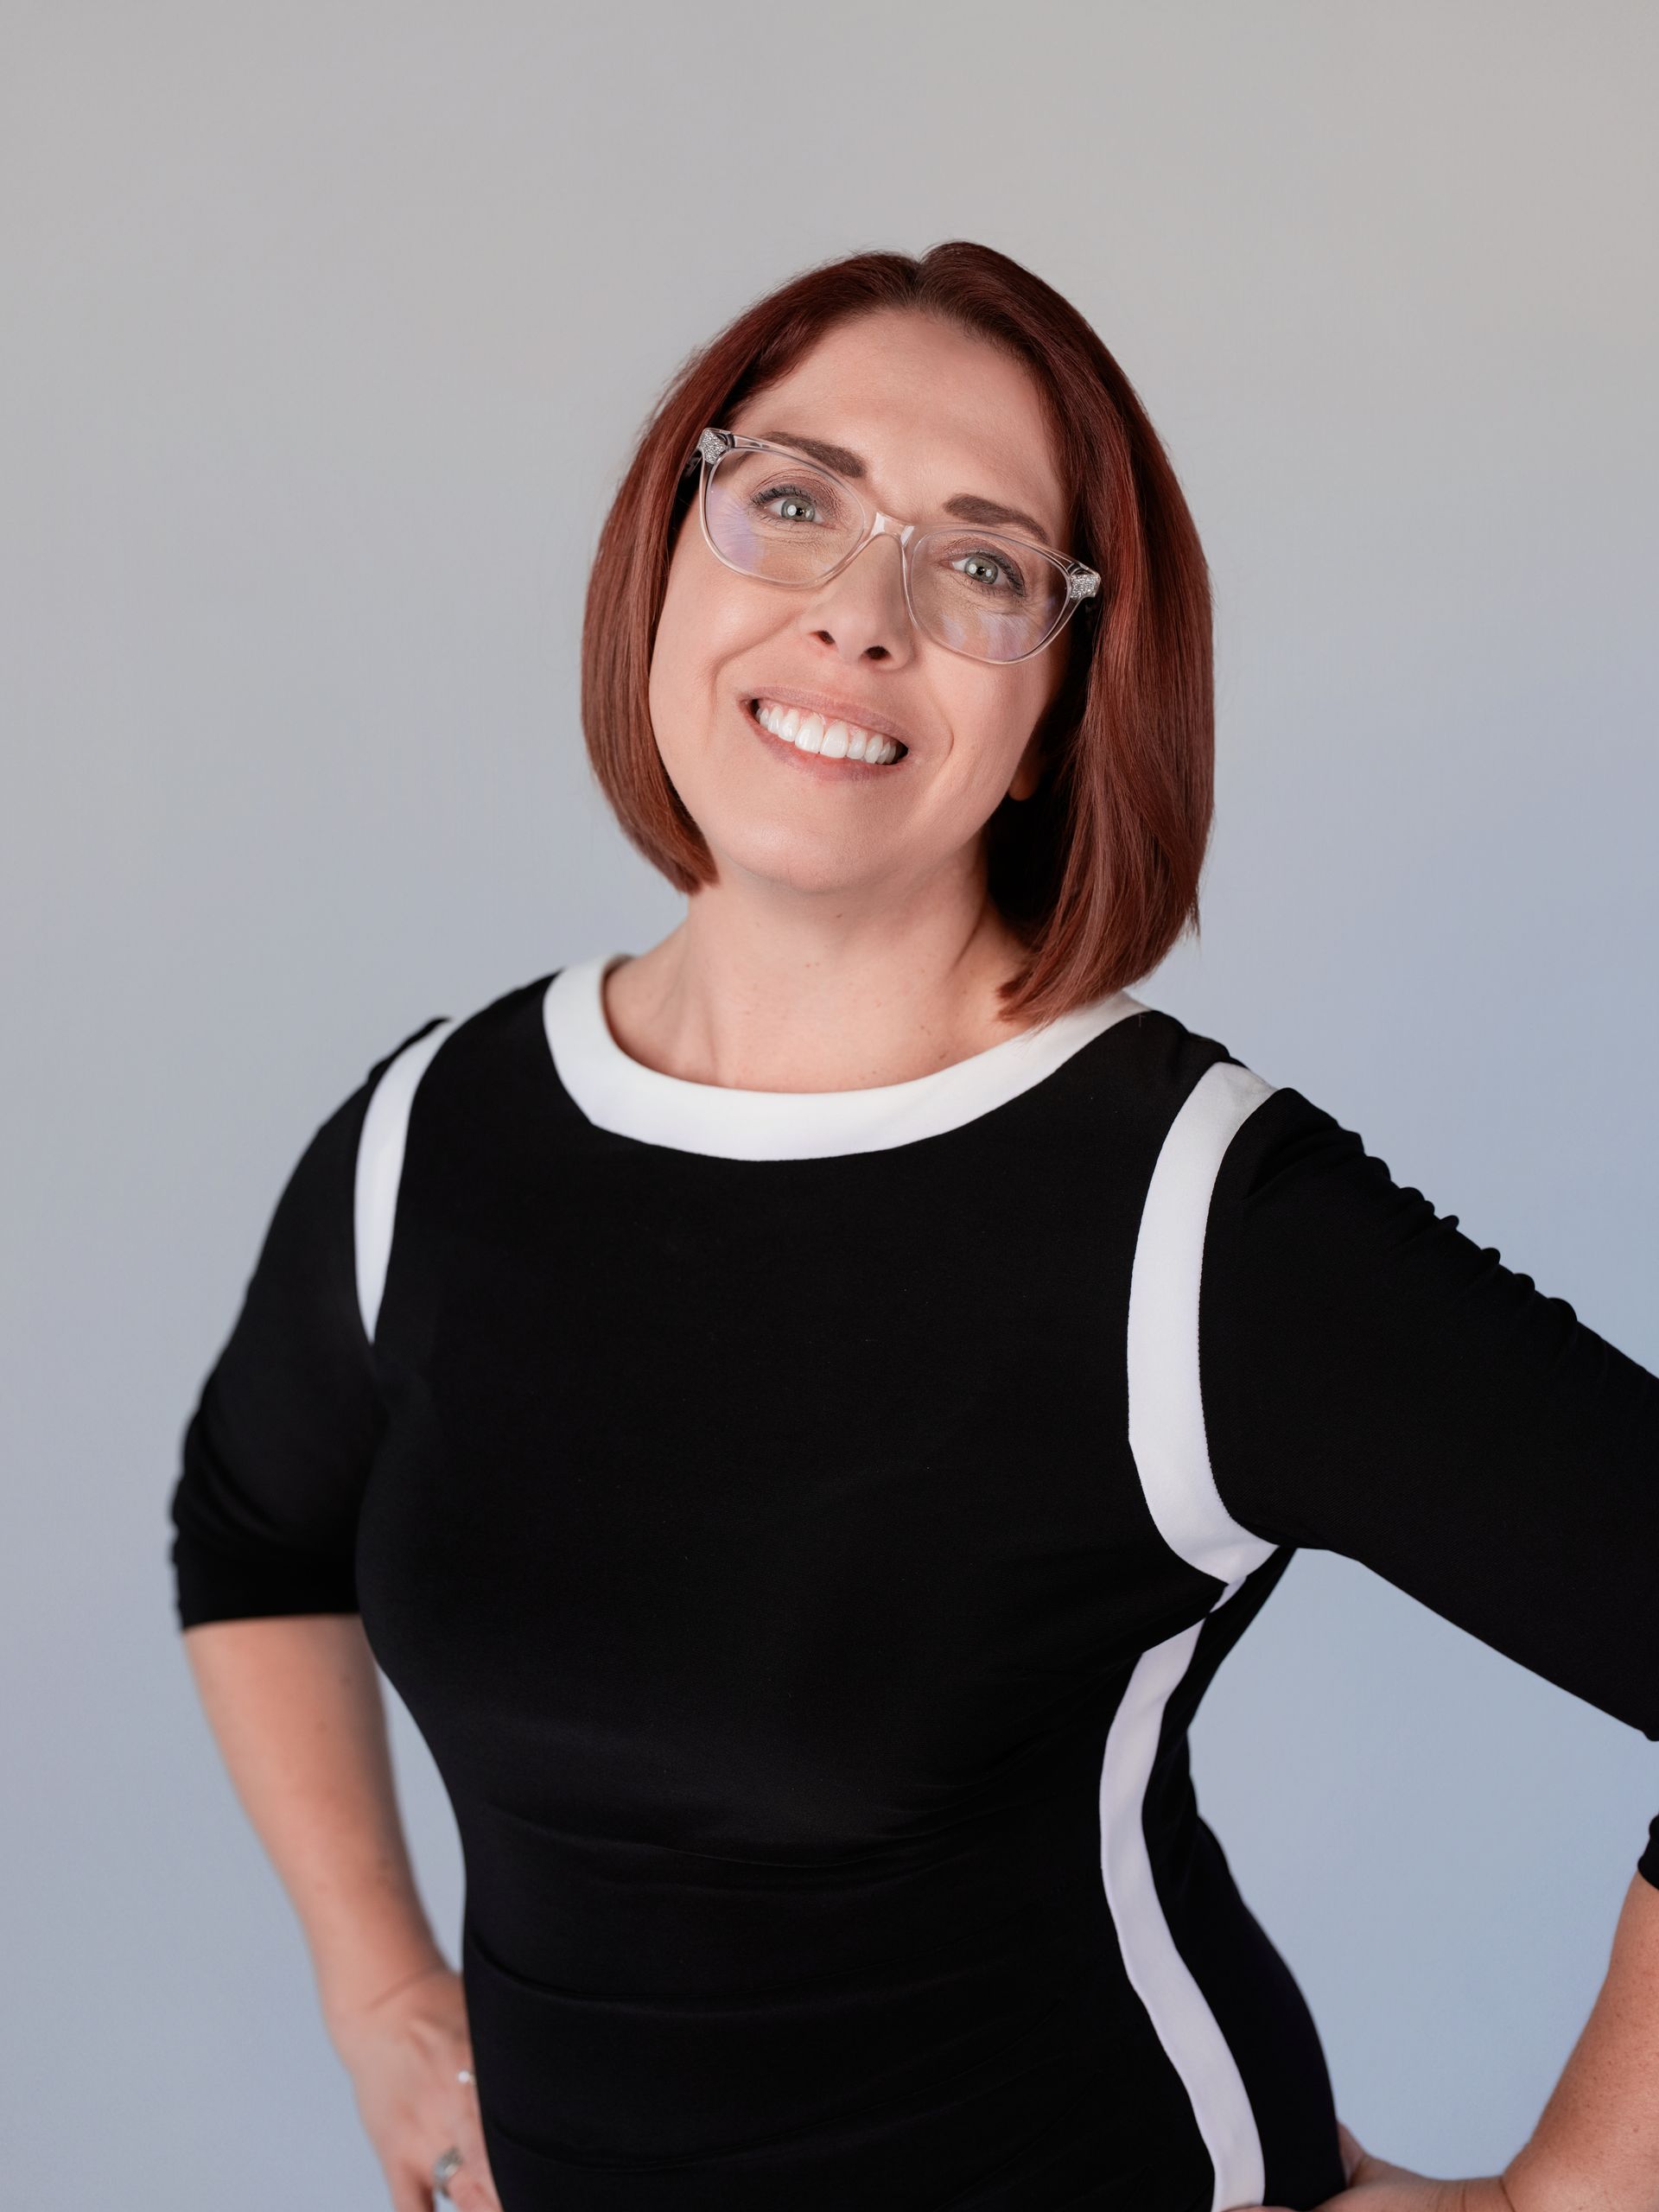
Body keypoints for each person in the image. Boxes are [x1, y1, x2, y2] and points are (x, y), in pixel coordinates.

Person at [167, 241, 1659, 2212]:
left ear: (1054, 702)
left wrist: (1578, 2195)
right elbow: (255, 1523)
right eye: (794, 501)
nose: (863, 616)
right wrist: (377, 1983)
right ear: (672, 555)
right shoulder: (434, 1131)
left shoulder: (1189, 1217)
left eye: (980, 564)